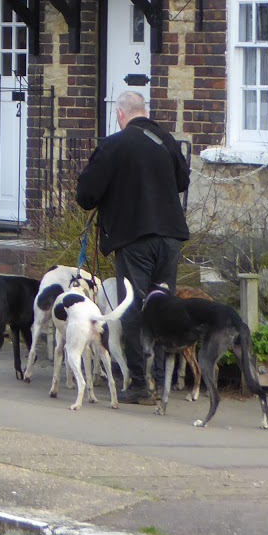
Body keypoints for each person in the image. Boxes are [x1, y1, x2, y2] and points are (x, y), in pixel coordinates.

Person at [75, 89, 191, 403]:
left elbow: (85, 195)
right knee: (160, 306)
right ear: (144, 111)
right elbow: (182, 182)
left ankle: (140, 384)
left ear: (120, 114)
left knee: (134, 308)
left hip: (133, 238)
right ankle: (161, 382)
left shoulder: (114, 145)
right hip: (170, 237)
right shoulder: (167, 141)